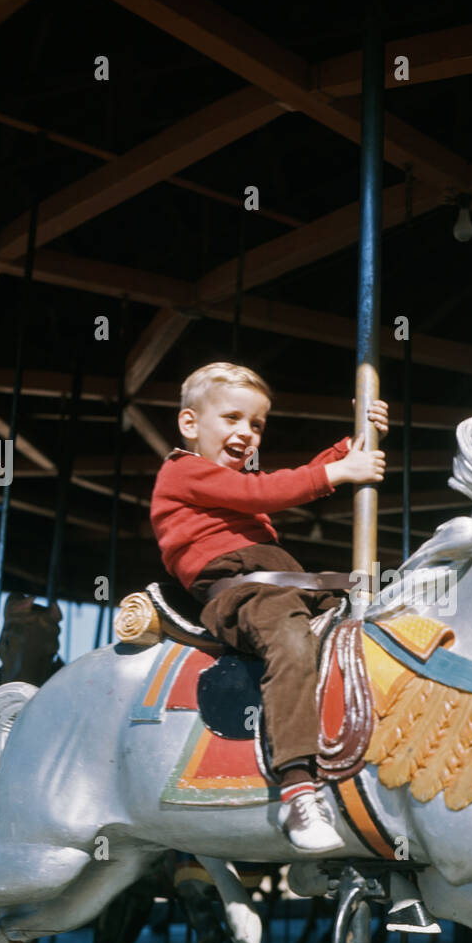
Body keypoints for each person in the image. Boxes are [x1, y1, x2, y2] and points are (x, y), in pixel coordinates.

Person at [150, 362, 386, 852]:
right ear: (190, 424)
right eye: (232, 418)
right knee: (292, 645)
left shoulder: (224, 483)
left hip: (285, 582)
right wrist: (338, 471)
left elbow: (277, 482)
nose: (246, 433)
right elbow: (266, 490)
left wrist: (355, 441)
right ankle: (297, 789)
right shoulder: (183, 470)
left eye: (256, 424)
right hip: (240, 593)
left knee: (384, 626)